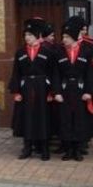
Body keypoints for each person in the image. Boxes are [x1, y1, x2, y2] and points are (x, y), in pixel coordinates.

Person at [9, 18, 59, 161]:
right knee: (27, 117)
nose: (27, 38)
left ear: (38, 36)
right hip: (26, 89)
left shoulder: (48, 51)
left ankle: (44, 148)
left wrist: (52, 91)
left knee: (43, 117)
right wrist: (16, 91)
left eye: (30, 35)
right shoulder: (20, 52)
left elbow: (54, 73)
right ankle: (27, 147)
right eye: (25, 35)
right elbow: (16, 73)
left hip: (43, 88)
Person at [56, 19, 93, 161]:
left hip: (80, 91)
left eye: (66, 37)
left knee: (79, 120)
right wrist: (57, 92)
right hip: (65, 90)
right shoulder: (59, 52)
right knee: (66, 120)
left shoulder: (86, 50)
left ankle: (78, 149)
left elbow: (90, 73)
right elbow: (55, 74)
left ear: (73, 37)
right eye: (63, 37)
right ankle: (68, 150)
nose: (64, 39)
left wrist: (88, 91)